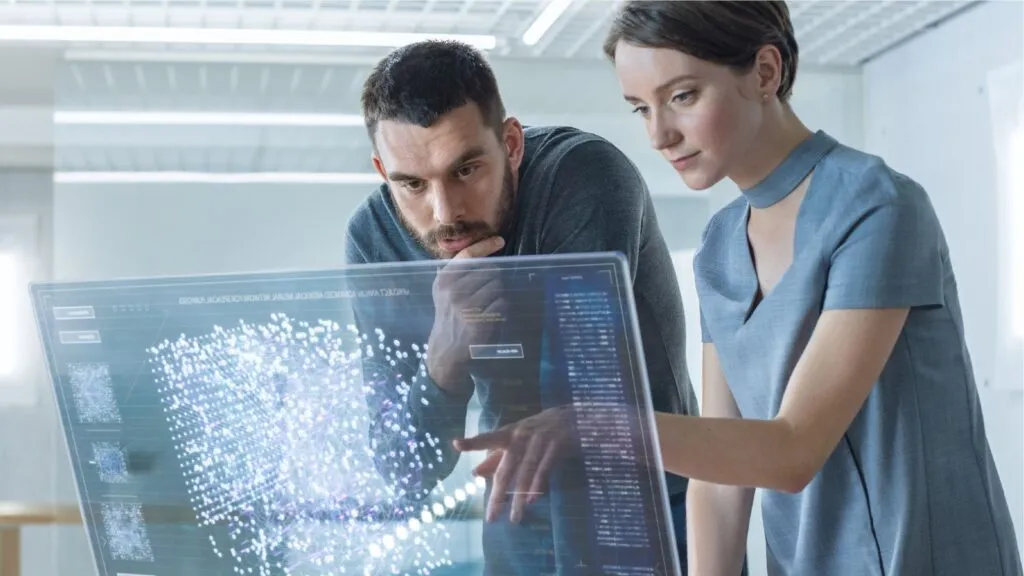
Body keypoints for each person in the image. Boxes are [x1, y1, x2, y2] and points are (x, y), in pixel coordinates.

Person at [454, 2, 1024, 575]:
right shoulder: (720, 245)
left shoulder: (877, 206)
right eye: (639, 108)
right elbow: (717, 484)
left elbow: (793, 450)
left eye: (682, 96)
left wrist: (593, 423)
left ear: (765, 72)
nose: (659, 133)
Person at [343, 39, 699, 573]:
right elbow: (403, 468)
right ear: (382, 170)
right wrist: (443, 362)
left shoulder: (581, 177)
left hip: (647, 502)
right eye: (413, 184)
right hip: (518, 518)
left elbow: (584, 404)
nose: (446, 214)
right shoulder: (374, 241)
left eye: (465, 170)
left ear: (511, 143)